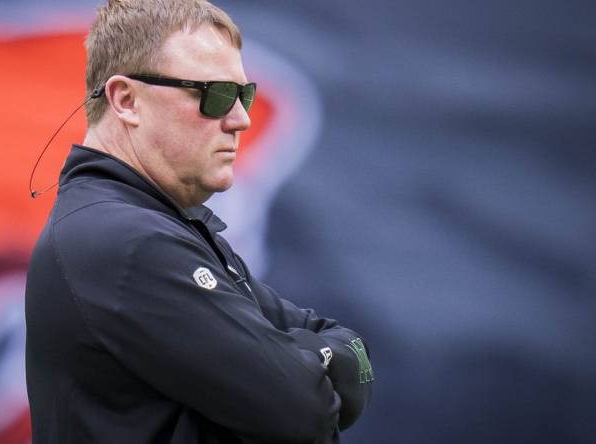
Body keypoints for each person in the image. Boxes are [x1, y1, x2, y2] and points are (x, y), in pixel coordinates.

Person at [24, 0, 373, 443]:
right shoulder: (128, 241)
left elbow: (343, 352)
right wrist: (309, 362)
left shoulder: (154, 226)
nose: (241, 120)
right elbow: (304, 411)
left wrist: (298, 360)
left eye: (243, 95)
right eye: (215, 95)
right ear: (126, 100)